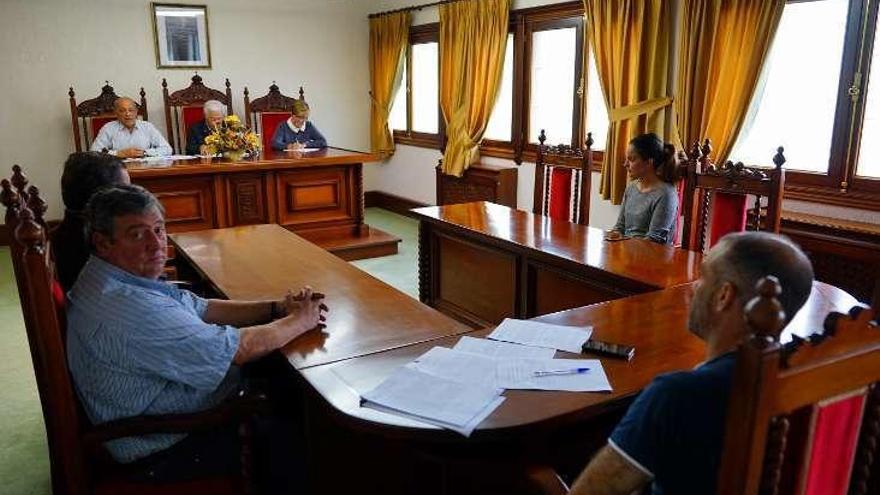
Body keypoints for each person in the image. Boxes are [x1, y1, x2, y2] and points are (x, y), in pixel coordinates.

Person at [65, 184, 327, 488]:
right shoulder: (125, 306)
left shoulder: (108, 276)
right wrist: (300, 320)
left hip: (159, 407)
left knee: (287, 376)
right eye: (137, 234)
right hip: (163, 445)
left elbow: (198, 306)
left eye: (159, 230)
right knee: (299, 434)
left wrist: (275, 308)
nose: (156, 244)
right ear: (102, 242)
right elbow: (235, 350)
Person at [570, 231, 814, 495]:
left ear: (724, 296)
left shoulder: (678, 394)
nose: (693, 288)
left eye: (703, 276)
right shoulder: (804, 383)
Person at [51, 152, 131, 292]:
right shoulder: (104, 246)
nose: (132, 197)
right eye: (127, 191)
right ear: (105, 200)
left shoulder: (58, 235)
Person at [605, 133, 679, 244]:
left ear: (649, 162)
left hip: (653, 256)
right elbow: (620, 227)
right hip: (627, 251)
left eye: (631, 159)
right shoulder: (631, 188)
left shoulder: (666, 194)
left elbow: (654, 240)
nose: (625, 164)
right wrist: (615, 235)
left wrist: (623, 247)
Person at [90, 97, 172, 158]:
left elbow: (167, 149)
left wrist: (144, 153)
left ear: (136, 112)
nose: (127, 114)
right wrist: (118, 154)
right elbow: (94, 153)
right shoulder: (108, 128)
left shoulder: (147, 127)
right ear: (116, 113)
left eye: (131, 110)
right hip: (117, 170)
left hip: (144, 168)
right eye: (122, 111)